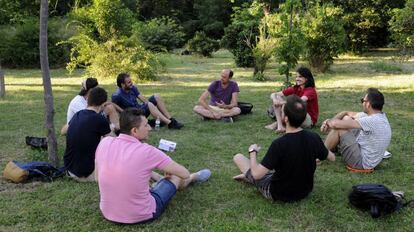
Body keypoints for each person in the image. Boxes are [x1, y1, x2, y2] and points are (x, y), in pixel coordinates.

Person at [95, 108, 211, 224]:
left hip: (107, 212)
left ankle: (157, 184)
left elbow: (97, 177)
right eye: (146, 125)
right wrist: (179, 174)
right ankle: (194, 177)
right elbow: (184, 173)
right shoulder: (147, 151)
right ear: (134, 131)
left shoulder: (105, 142)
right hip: (142, 214)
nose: (150, 128)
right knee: (176, 177)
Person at [233, 95, 335, 202]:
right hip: (304, 191)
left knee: (238, 157)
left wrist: (252, 152)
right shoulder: (314, 137)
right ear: (304, 117)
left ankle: (248, 176)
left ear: (285, 119)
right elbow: (331, 157)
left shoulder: (279, 144)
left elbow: (257, 175)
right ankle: (247, 176)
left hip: (279, 192)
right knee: (276, 170)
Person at [321, 88, 391, 170]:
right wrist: (331, 121)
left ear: (368, 104)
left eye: (363, 101)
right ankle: (330, 146)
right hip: (363, 152)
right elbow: (346, 113)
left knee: (339, 129)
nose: (362, 103)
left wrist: (328, 122)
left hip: (361, 163)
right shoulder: (377, 116)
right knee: (346, 119)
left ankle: (320, 155)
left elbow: (335, 124)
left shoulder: (372, 120)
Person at [64, 87, 112, 182]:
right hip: (86, 174)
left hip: (69, 169)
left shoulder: (77, 115)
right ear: (103, 104)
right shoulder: (100, 119)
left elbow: (64, 130)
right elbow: (114, 142)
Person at [112, 73, 183, 129]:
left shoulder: (132, 88)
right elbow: (114, 107)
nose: (131, 83)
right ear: (122, 84)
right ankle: (169, 123)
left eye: (131, 81)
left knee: (156, 96)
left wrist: (150, 105)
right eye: (129, 82)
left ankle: (170, 118)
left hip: (139, 110)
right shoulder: (117, 95)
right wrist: (124, 114)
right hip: (132, 116)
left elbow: (142, 98)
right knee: (149, 105)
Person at [266, 67, 319, 133]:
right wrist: (274, 99)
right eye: (296, 77)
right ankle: (280, 126)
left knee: (287, 105)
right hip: (298, 115)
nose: (297, 79)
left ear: (307, 78)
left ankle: (277, 123)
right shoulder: (296, 88)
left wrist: (282, 103)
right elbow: (274, 94)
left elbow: (299, 101)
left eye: (300, 77)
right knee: (278, 98)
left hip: (308, 120)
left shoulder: (311, 90)